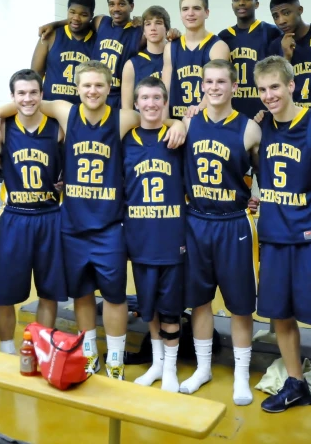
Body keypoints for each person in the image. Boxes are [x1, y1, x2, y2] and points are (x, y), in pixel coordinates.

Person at [0, 61, 185, 380]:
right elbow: (27, 101)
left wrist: (178, 123)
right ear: (77, 89)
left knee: (115, 296)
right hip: (72, 225)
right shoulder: (65, 111)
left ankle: (115, 358)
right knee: (82, 294)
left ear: (109, 89)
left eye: (99, 86)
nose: (92, 91)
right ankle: (90, 354)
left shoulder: (121, 118)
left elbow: (155, 116)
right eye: (87, 86)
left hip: (108, 226)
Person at [253, 56, 311, 435]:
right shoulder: (260, 128)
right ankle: (296, 383)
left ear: (291, 85)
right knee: (280, 317)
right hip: (273, 235)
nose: (269, 95)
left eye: (275, 87)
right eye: (262, 90)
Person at [175, 60, 260, 405]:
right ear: (201, 86)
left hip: (233, 223)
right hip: (196, 220)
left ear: (234, 87)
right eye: (208, 81)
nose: (214, 87)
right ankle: (204, 368)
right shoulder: (187, 122)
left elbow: (265, 171)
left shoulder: (249, 129)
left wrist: (258, 196)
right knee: (199, 301)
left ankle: (241, 375)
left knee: (240, 306)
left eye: (221, 81)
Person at [0, 69, 67, 354]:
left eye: (33, 92)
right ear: (12, 97)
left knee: (49, 292)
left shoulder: (57, 127)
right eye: (21, 93)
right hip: (16, 217)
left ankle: (42, 346)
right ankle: (6, 348)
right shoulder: (3, 128)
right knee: (6, 294)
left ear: (41, 94)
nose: (27, 98)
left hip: (50, 215)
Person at [123, 77, 185, 392]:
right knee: (149, 308)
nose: (150, 103)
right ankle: (157, 365)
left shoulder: (177, 138)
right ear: (136, 103)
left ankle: (171, 370)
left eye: (156, 97)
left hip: (172, 238)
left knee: (171, 309)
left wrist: (183, 123)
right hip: (140, 238)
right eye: (144, 98)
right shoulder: (125, 140)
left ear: (165, 102)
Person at [40, 0, 144, 109]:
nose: (116, 8)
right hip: (94, 96)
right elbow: (78, 20)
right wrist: (53, 24)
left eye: (121, 4)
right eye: (111, 4)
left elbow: (159, 35)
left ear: (131, 6)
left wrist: (145, 21)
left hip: (119, 97)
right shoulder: (100, 22)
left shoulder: (140, 32)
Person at [162, 0, 230, 119]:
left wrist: (196, 112)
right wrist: (165, 122)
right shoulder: (170, 47)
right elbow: (165, 89)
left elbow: (217, 88)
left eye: (196, 8)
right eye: (185, 9)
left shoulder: (218, 47)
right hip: (175, 119)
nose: (190, 13)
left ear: (207, 13)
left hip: (206, 119)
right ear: (180, 13)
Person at [218, 0, 282, 119]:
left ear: (256, 4)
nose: (241, 3)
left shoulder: (271, 32)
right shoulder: (223, 36)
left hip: (263, 109)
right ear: (232, 5)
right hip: (233, 111)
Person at [32, 0, 96, 105]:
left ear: (91, 16)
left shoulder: (97, 40)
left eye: (83, 15)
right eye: (72, 12)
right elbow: (35, 76)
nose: (76, 18)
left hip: (82, 112)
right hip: (49, 110)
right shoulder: (50, 36)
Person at [121, 6, 170, 110]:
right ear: (143, 31)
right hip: (142, 122)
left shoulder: (175, 57)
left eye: (158, 23)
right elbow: (127, 110)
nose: (153, 28)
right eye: (148, 24)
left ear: (167, 28)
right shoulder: (131, 65)